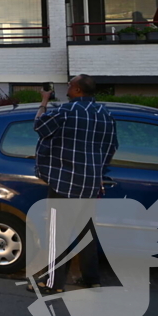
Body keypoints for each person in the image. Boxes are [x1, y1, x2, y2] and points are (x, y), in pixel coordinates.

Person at [29, 74, 118, 295]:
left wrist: (44, 101)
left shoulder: (65, 112)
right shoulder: (105, 114)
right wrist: (97, 171)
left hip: (64, 184)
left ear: (78, 90)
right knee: (86, 232)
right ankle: (92, 279)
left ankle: (54, 283)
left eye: (70, 85)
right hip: (90, 185)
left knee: (57, 234)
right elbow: (112, 146)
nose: (67, 88)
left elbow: (39, 126)